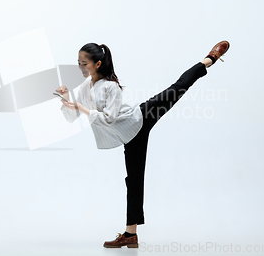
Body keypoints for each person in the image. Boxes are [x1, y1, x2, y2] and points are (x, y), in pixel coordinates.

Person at [56, 41, 230, 248]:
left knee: (177, 88)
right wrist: (66, 98)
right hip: (130, 137)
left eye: (84, 63)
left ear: (98, 64)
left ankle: (208, 60)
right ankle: (131, 234)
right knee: (134, 181)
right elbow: (71, 116)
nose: (80, 68)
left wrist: (81, 108)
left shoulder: (111, 87)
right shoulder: (87, 86)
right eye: (78, 63)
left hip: (141, 117)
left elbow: (109, 118)